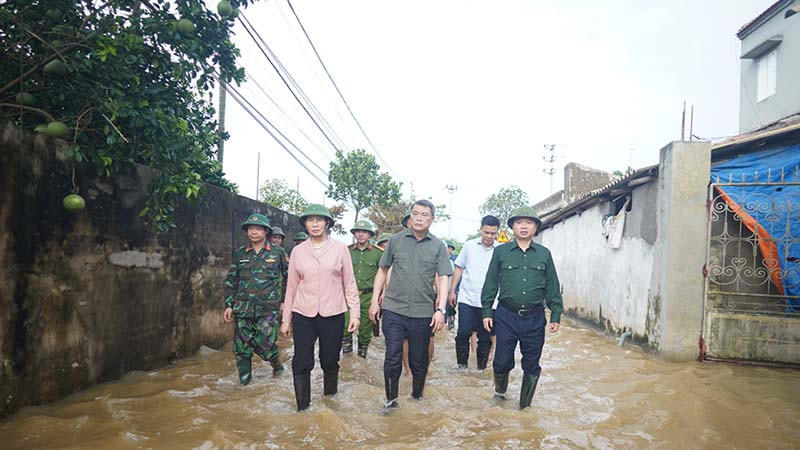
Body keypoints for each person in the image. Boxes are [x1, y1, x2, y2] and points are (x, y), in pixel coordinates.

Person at [369, 200, 453, 407]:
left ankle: (417, 397)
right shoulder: (396, 241)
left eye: (424, 215)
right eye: (415, 213)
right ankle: (391, 401)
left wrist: (441, 309)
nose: (419, 218)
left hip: (422, 312)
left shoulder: (438, 246)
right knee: (392, 356)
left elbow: (443, 278)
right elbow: (383, 270)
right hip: (393, 309)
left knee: (419, 360)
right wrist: (374, 302)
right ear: (410, 217)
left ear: (432, 220)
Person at [281, 204, 360, 411]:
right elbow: (291, 287)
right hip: (303, 312)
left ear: (327, 223)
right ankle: (303, 408)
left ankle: (329, 402)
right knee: (301, 360)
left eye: (319, 220)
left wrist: (355, 314)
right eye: (310, 220)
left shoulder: (340, 249)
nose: (315, 224)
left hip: (332, 312)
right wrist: (285, 319)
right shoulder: (298, 251)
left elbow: (349, 283)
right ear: (305, 224)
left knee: (330, 359)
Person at [481, 207, 562, 410]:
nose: (524, 226)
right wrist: (487, 311)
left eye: (529, 222)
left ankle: (524, 408)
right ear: (512, 227)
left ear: (535, 227)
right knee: (501, 361)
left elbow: (552, 285)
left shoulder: (544, 254)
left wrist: (556, 314)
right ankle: (500, 395)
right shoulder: (501, 252)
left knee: (532, 364)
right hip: (506, 316)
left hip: (535, 318)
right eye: (519, 222)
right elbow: (490, 283)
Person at [223, 213, 288, 385]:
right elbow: (231, 280)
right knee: (241, 348)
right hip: (242, 308)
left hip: (268, 309)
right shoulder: (240, 254)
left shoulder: (278, 252)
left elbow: (289, 278)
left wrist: (284, 301)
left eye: (258, 229)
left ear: (266, 231)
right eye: (251, 228)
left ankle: (276, 365)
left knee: (265, 346)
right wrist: (229, 305)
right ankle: (245, 383)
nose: (254, 232)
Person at [449, 215, 500, 370]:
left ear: (497, 232)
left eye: (493, 233)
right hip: (467, 298)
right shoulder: (469, 246)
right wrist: (452, 291)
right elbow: (459, 268)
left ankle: (481, 369)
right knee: (463, 332)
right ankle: (462, 366)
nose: (489, 236)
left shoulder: (500, 250)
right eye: (486, 232)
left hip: (491, 302)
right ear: (480, 230)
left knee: (486, 336)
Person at [343, 220, 383, 358]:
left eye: (364, 232)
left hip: (368, 295)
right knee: (345, 325)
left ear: (370, 234)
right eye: (358, 232)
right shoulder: (347, 251)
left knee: (366, 328)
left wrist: (378, 298)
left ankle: (362, 358)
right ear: (354, 234)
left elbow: (383, 274)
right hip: (349, 294)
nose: (360, 234)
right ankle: (347, 359)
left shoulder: (378, 253)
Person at [444, 240, 457, 330]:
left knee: (450, 308)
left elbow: (452, 278)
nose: (450, 251)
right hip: (439, 292)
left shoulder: (452, 262)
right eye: (449, 248)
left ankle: (451, 321)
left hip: (449, 291)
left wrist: (451, 292)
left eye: (451, 249)